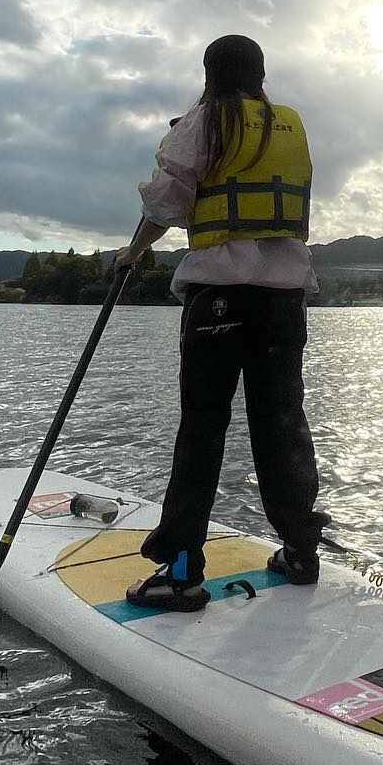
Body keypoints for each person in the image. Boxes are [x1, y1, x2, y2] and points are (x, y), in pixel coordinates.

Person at [114, 34, 327, 611]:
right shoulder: (289, 122)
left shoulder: (205, 121)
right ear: (261, 73)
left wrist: (134, 251)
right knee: (281, 423)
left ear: (208, 74)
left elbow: (166, 202)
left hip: (219, 297)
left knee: (203, 430)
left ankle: (181, 572)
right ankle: (301, 552)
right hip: (284, 300)